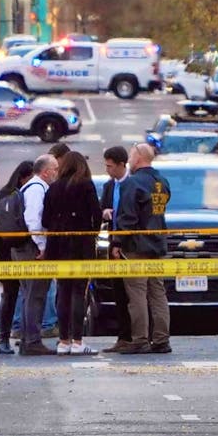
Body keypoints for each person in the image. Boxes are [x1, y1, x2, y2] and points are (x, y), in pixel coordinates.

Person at [111, 142, 172, 355]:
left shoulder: (132, 183)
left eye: (130, 156)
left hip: (136, 246)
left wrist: (117, 243)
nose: (128, 160)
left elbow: (127, 217)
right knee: (158, 293)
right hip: (157, 243)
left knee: (137, 294)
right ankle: (162, 339)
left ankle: (140, 339)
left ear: (138, 158)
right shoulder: (162, 181)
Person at [43, 151, 102, 355]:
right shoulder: (86, 185)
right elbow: (97, 214)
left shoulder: (53, 188)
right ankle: (78, 341)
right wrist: (90, 234)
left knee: (63, 292)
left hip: (58, 247)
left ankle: (63, 341)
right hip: (81, 246)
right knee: (79, 292)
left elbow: (45, 221)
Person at [14, 154, 59, 356]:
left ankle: (27, 338)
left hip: (24, 247)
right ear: (46, 171)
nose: (57, 173)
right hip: (31, 249)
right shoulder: (37, 189)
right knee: (35, 294)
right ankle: (32, 340)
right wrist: (42, 246)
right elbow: (34, 220)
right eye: (55, 169)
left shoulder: (31, 187)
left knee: (29, 295)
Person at [0, 160, 34, 355]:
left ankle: (4, 339)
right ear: (26, 177)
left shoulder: (3, 194)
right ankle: (27, 337)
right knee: (28, 294)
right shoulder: (27, 194)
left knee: (8, 295)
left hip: (3, 251)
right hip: (22, 249)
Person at [99, 146, 133, 353]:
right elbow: (102, 207)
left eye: (110, 166)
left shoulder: (133, 184)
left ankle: (136, 335)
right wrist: (104, 212)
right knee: (118, 291)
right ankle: (123, 336)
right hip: (113, 243)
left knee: (135, 293)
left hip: (131, 245)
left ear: (122, 164)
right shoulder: (109, 186)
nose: (108, 170)